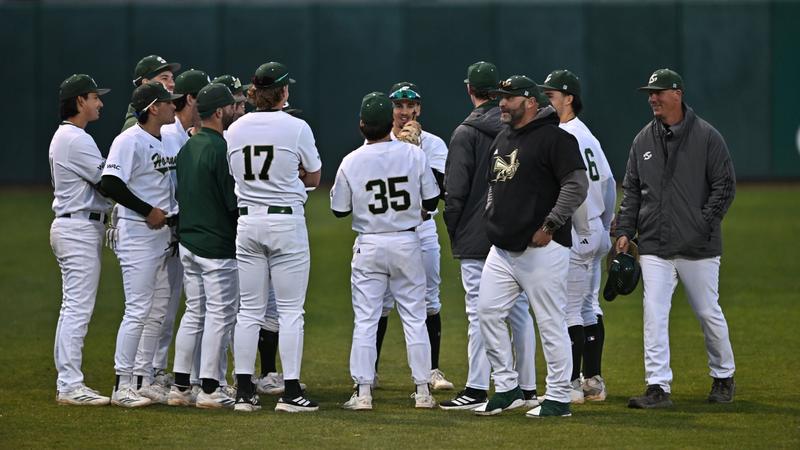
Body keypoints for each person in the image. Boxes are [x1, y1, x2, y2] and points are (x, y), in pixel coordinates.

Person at [617, 68, 736, 409]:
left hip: (698, 248)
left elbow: (724, 187)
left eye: (659, 92)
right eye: (650, 94)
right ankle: (658, 387)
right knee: (653, 312)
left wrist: (701, 224)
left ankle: (723, 375)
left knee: (707, 312)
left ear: (678, 94)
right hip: (654, 244)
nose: (652, 98)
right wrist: (625, 230)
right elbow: (633, 195)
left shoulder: (707, 137)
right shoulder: (643, 140)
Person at [476, 75, 587, 418]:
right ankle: (508, 387)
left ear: (530, 102)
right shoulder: (503, 137)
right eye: (500, 97)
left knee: (550, 321)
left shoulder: (556, 139)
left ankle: (558, 398)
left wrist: (551, 224)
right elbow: (493, 184)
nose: (502, 104)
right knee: (487, 313)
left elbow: (577, 185)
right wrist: (491, 214)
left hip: (543, 248)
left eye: (508, 98)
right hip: (504, 248)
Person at [331, 92, 439, 410]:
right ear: (389, 122)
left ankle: (363, 392)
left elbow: (339, 209)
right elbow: (431, 202)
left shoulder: (351, 160)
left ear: (363, 125)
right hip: (407, 242)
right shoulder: (414, 155)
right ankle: (423, 391)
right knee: (415, 318)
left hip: (370, 243)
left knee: (366, 319)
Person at [441, 61, 539, 410]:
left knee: (478, 313)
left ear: (470, 90)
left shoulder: (465, 133)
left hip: (476, 233)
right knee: (519, 312)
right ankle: (527, 389)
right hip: (514, 231)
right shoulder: (518, 128)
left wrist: (455, 230)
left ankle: (477, 388)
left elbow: (455, 193)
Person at [226, 62, 321, 413]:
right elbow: (313, 177)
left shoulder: (234, 129)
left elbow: (232, 172)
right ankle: (291, 392)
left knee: (249, 310)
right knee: (290, 311)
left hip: (248, 222)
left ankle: (244, 391)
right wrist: (291, 176)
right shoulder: (296, 127)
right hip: (284, 221)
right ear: (282, 92)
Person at [101, 81, 182, 408]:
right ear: (152, 107)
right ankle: (122, 385)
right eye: (167, 102)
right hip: (138, 234)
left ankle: (143, 379)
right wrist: (147, 210)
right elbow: (110, 183)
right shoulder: (129, 139)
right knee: (137, 309)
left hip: (163, 234)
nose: (173, 105)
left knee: (158, 310)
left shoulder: (161, 139)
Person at [134, 68, 212, 401]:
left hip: (174, 230)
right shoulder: (165, 134)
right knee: (151, 308)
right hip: (153, 228)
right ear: (191, 99)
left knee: (166, 308)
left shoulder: (181, 133)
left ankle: (155, 373)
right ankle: (143, 374)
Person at [540, 69, 615, 403]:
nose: (547, 99)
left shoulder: (566, 135)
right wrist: (606, 226)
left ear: (569, 98)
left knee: (567, 310)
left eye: (552, 94)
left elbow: (576, 189)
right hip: (597, 230)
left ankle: (570, 385)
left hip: (580, 231)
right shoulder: (589, 135)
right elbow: (610, 185)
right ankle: (593, 382)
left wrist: (584, 230)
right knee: (588, 307)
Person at [372, 81, 453, 391]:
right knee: (379, 304)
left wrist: (413, 151)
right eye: (398, 106)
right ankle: (371, 372)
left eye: (410, 106)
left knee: (430, 300)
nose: (404, 112)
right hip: (386, 230)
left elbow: (441, 188)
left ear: (419, 108)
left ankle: (431, 371)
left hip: (422, 231)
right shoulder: (377, 140)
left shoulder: (433, 143)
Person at [167, 83, 239, 409]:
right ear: (221, 111)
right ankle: (210, 388)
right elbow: (231, 202)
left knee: (195, 312)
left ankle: (180, 386)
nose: (236, 110)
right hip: (216, 244)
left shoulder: (188, 146)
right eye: (232, 106)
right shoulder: (219, 149)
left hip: (189, 241)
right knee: (220, 315)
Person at [49, 74, 112, 406]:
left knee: (71, 308)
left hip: (75, 225)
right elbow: (107, 183)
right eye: (93, 97)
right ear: (79, 102)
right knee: (77, 309)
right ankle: (70, 384)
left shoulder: (69, 136)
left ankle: (68, 381)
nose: (99, 102)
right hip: (78, 228)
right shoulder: (75, 139)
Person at [122, 55, 181, 131]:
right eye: (164, 78)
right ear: (146, 83)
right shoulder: (135, 126)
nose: (172, 84)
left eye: (172, 78)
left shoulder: (167, 116)